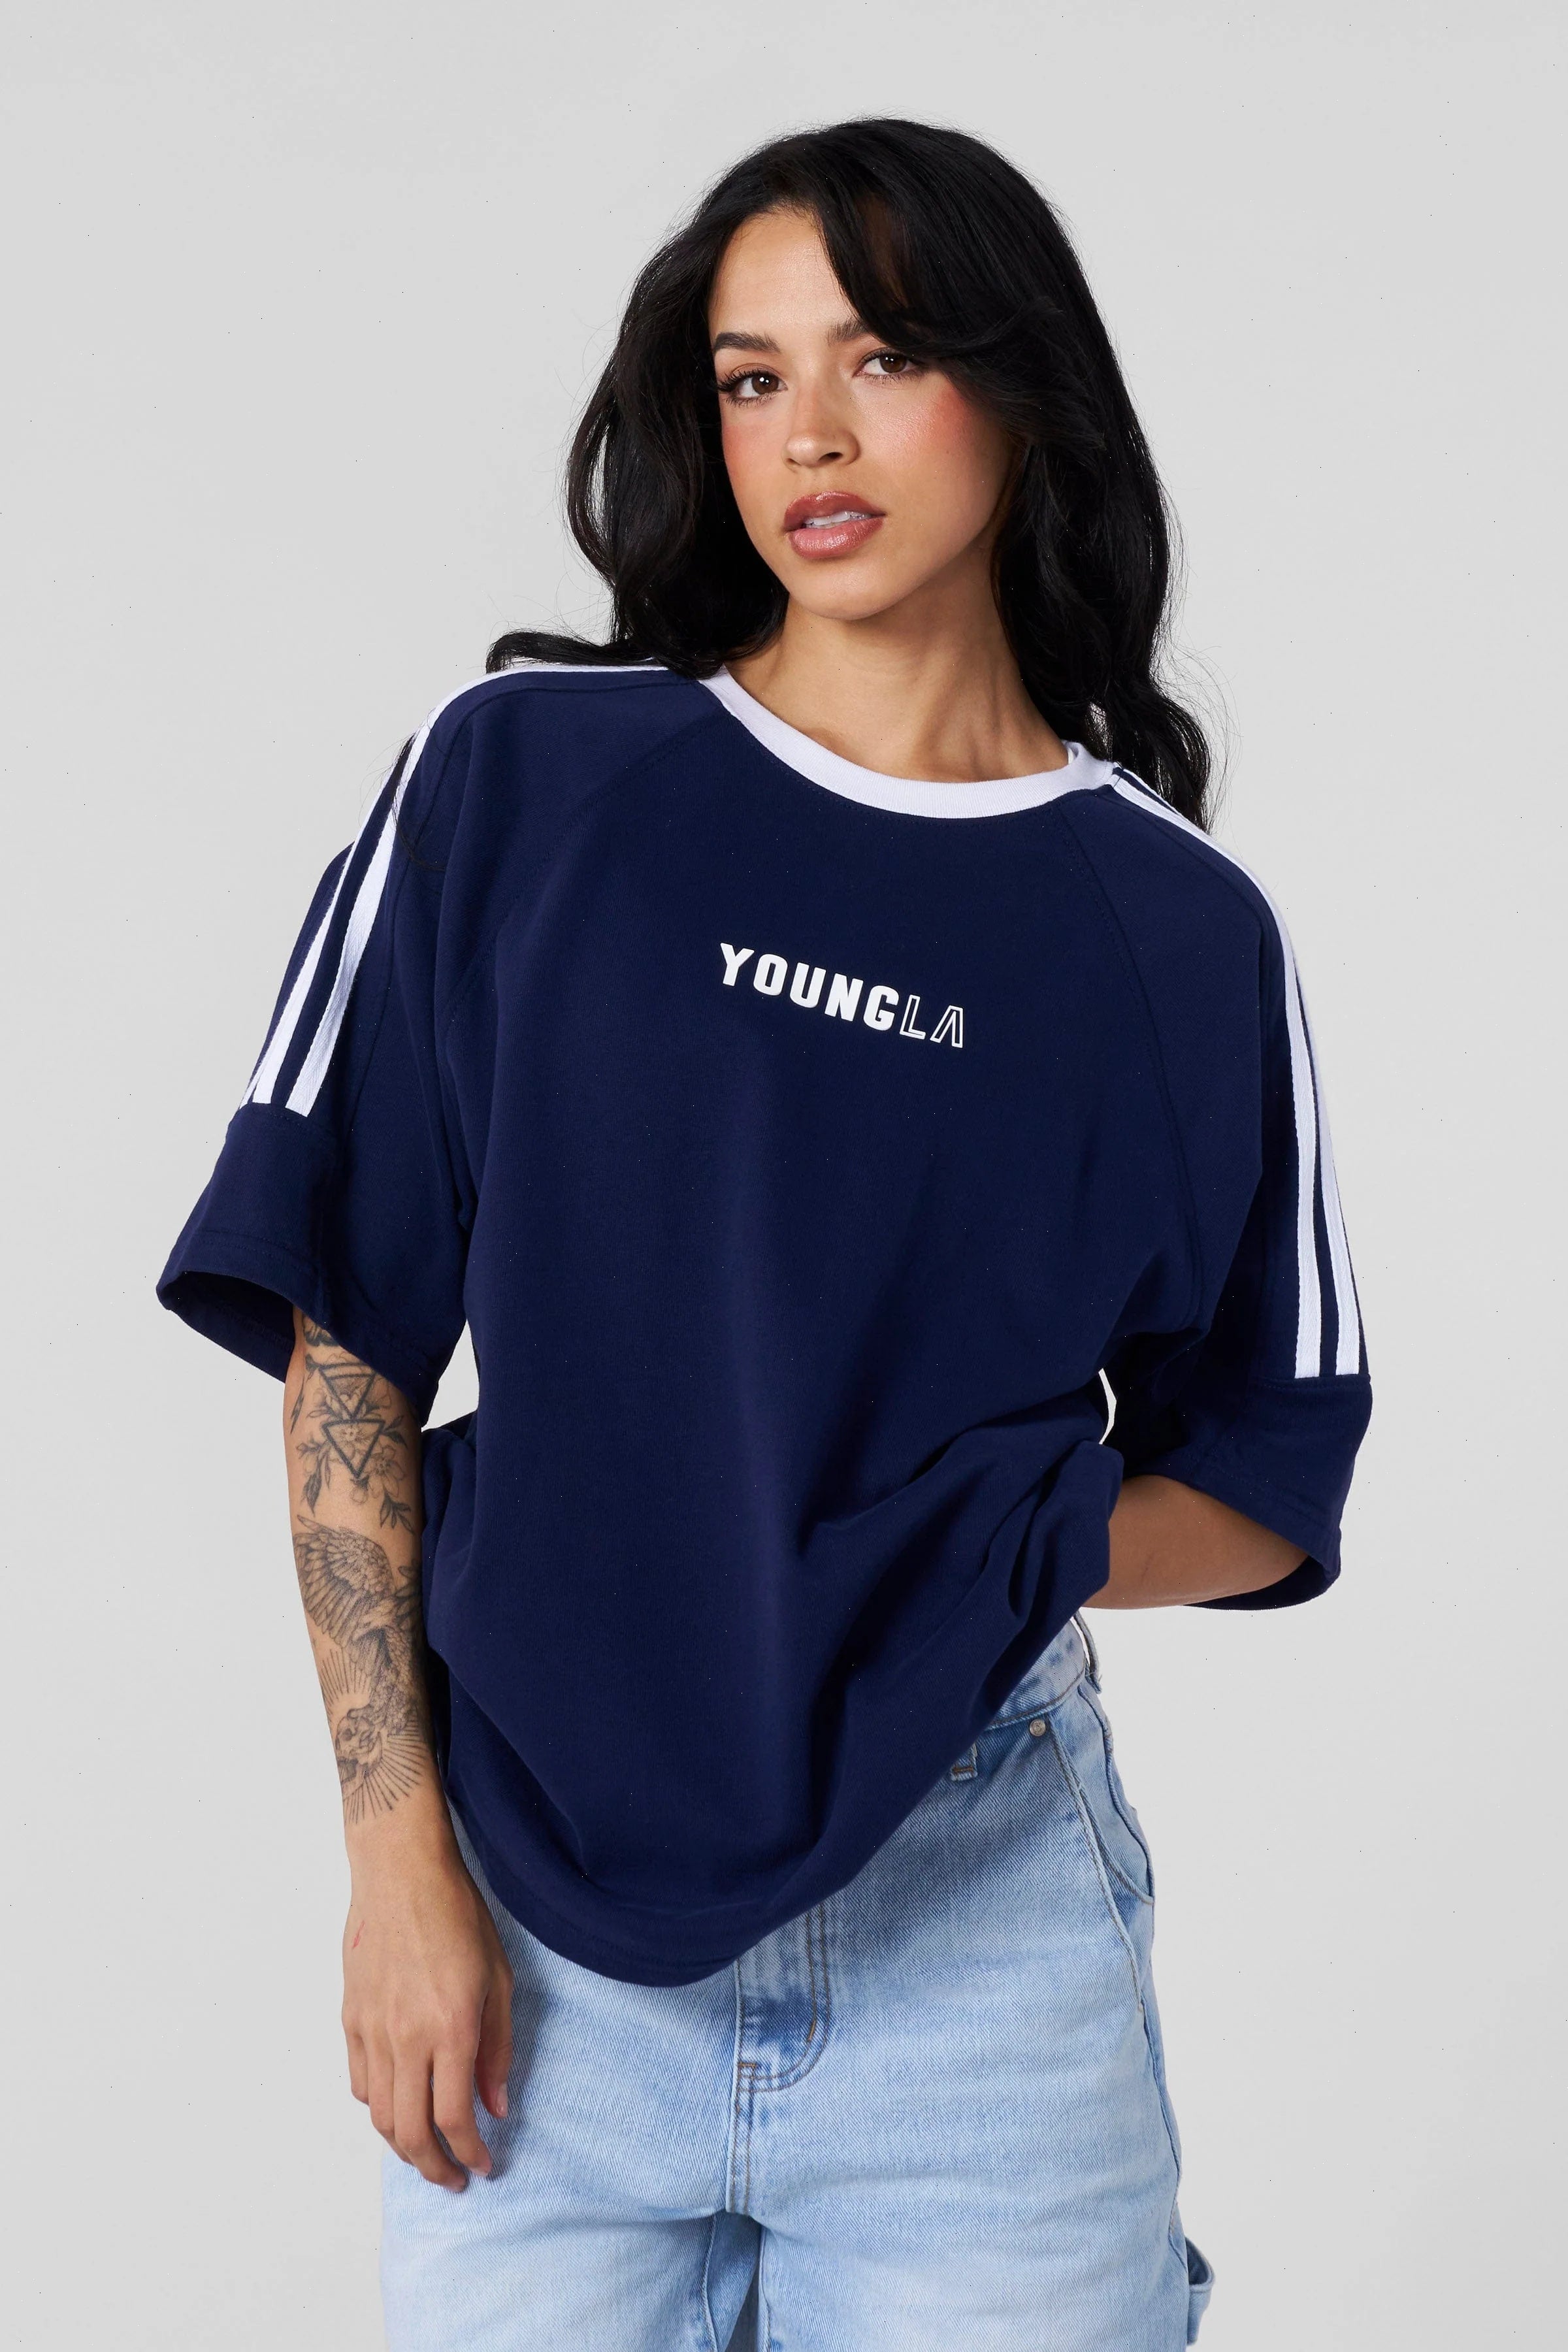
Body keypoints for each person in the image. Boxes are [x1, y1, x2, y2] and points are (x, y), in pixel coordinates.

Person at [159, 117, 1371, 2352]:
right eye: (748, 377)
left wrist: (997, 1548)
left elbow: (1269, 1469)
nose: (807, 432)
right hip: (534, 1942)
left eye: (881, 358)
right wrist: (392, 1861)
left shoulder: (1177, 931)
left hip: (980, 1951)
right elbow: (352, 1342)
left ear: (1024, 392)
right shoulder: (523, 782)